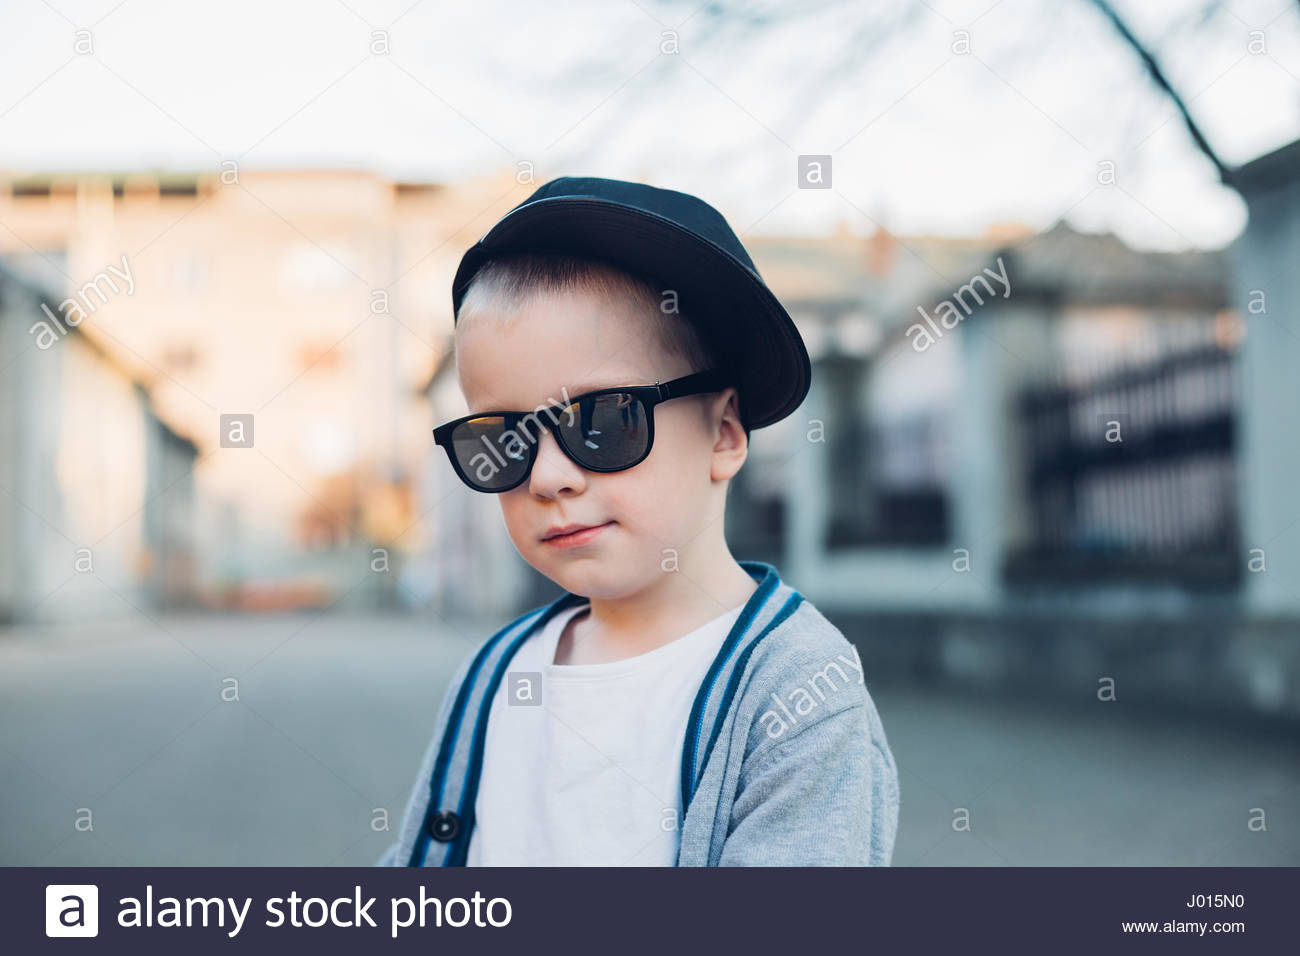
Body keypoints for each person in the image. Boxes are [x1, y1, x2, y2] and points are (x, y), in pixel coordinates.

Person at [376, 176, 899, 866]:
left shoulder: (799, 692)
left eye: (602, 422)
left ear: (724, 434)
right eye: (503, 440)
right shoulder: (494, 674)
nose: (547, 475)